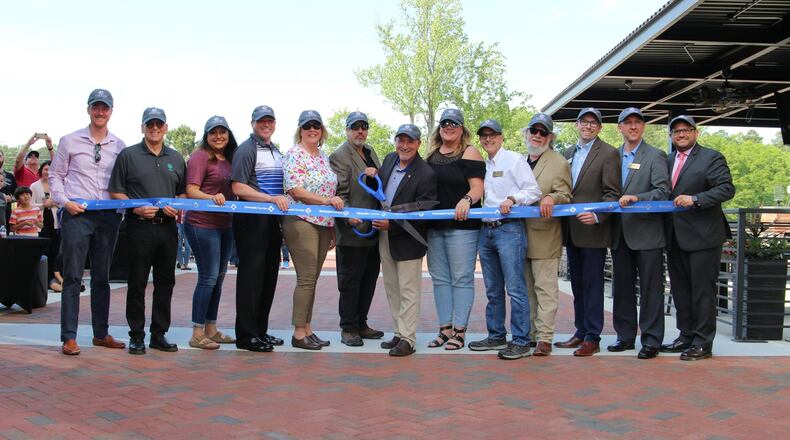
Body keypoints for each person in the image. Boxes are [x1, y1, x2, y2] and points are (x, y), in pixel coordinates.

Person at [50, 88, 127, 355]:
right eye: (96, 107)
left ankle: (101, 333)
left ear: (111, 112)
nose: (100, 112)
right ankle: (69, 336)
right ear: (88, 109)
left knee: (102, 277)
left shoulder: (119, 145)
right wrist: (64, 201)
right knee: (72, 276)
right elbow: (55, 176)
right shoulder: (69, 141)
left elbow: (124, 181)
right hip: (77, 215)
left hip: (108, 217)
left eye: (105, 107)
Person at [109, 107, 186, 355]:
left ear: (165, 127)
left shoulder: (175, 158)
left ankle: (158, 334)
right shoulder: (128, 155)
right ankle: (137, 335)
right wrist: (136, 208)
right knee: (137, 282)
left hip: (167, 229)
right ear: (142, 127)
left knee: (166, 282)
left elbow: (182, 192)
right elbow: (116, 191)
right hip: (139, 227)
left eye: (159, 124)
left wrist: (177, 205)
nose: (154, 128)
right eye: (150, 124)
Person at [662, 115, 735, 361]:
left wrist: (695, 199)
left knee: (703, 291)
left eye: (686, 130)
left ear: (696, 132)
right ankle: (686, 335)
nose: (681, 134)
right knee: (680, 290)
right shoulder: (667, 159)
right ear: (671, 135)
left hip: (703, 237)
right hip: (674, 237)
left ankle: (703, 342)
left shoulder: (711, 157)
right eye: (676, 131)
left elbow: (726, 189)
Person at [468, 119, 541, 360]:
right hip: (485, 231)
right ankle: (496, 335)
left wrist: (512, 199)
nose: (488, 139)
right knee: (493, 289)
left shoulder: (514, 159)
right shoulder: (482, 165)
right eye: (484, 136)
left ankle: (521, 340)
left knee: (516, 288)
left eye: (492, 135)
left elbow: (533, 191)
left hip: (509, 230)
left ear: (501, 137)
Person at [555, 107, 621, 357]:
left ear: (600, 128)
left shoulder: (608, 154)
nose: (588, 126)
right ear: (577, 125)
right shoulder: (567, 153)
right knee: (578, 286)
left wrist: (597, 216)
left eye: (594, 123)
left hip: (593, 231)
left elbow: (612, 193)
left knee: (593, 286)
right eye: (584, 122)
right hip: (570, 231)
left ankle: (593, 337)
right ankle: (580, 331)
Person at [608, 108, 670, 359]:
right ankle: (625, 336)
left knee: (650, 289)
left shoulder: (655, 155)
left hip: (647, 234)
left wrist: (637, 198)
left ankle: (652, 340)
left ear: (643, 127)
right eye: (627, 123)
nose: (633, 126)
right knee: (621, 288)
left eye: (637, 122)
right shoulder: (612, 157)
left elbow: (662, 190)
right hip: (619, 233)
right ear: (619, 128)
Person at [374, 124, 437, 356]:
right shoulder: (390, 160)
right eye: (401, 140)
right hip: (384, 235)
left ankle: (408, 339)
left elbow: (425, 212)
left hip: (409, 239)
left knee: (409, 290)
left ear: (418, 144)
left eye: (410, 141)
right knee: (392, 288)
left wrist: (393, 224)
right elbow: (379, 190)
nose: (405, 145)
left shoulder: (426, 173)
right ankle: (399, 333)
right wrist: (372, 174)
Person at [425, 108, 485, 350]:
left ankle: (459, 332)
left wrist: (467, 200)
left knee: (461, 278)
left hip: (463, 227)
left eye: (454, 123)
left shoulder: (469, 152)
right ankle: (444, 329)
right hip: (435, 227)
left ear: (462, 129)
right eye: (444, 123)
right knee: (439, 279)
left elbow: (478, 188)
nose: (448, 126)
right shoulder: (430, 156)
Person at [230, 106, 289, 352]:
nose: (266, 125)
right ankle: (246, 335)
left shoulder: (275, 150)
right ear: (253, 123)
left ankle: (260, 331)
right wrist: (270, 199)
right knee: (251, 279)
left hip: (271, 222)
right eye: (261, 121)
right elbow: (238, 187)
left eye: (270, 121)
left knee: (267, 278)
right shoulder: (246, 149)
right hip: (251, 221)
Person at [282, 110, 343, 350]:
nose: (312, 129)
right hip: (301, 220)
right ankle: (298, 333)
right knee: (306, 279)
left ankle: (307, 328)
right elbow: (295, 190)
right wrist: (326, 201)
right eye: (307, 125)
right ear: (300, 129)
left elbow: (330, 190)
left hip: (324, 223)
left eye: (316, 124)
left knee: (313, 280)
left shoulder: (322, 155)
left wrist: (332, 223)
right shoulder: (294, 154)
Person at [328, 111, 384, 347]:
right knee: (350, 282)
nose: (360, 131)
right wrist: (348, 216)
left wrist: (376, 173)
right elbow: (339, 193)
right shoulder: (340, 156)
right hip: (352, 232)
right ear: (347, 130)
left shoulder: (370, 152)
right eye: (355, 127)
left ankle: (361, 323)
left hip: (374, 231)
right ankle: (348, 328)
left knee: (369, 279)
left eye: (364, 126)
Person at [183, 116, 238, 350]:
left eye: (222, 132)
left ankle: (211, 329)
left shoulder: (229, 158)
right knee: (207, 277)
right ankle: (197, 333)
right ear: (206, 136)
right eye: (213, 132)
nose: (218, 136)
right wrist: (211, 198)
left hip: (224, 225)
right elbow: (191, 190)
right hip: (201, 224)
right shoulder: (200, 157)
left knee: (219, 277)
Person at [521, 114, 572, 356]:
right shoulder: (520, 161)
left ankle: (545, 338)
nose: (537, 135)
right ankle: (531, 334)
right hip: (520, 235)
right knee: (527, 289)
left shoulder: (559, 162)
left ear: (550, 137)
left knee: (545, 289)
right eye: (534, 130)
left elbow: (565, 194)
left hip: (545, 235)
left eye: (543, 132)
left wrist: (553, 197)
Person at [31, 160, 61, 282]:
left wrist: (54, 203)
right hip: (41, 222)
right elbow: (30, 205)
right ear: (41, 170)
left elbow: (64, 203)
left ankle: (54, 277)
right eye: (45, 169)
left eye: (50, 170)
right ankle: (43, 278)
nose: (47, 172)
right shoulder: (34, 186)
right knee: (44, 250)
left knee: (56, 249)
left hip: (56, 222)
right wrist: (44, 205)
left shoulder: (58, 186)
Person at [1, 150, 17, 226]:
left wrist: (11, 198)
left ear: (3, 158)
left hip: (5, 218)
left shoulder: (10, 176)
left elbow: (17, 196)